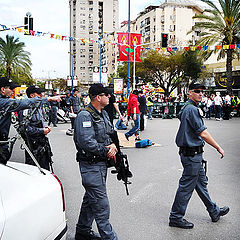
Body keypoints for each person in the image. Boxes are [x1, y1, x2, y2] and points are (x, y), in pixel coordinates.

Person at [169, 81, 229, 229]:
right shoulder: (192, 110)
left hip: (192, 154)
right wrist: (218, 147)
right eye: (197, 91)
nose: (201, 93)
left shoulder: (187, 107)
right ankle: (176, 217)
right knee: (186, 186)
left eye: (202, 91)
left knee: (201, 184)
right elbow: (203, 133)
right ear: (189, 92)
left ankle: (213, 210)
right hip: (191, 155)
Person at [73, 83, 118, 240]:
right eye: (107, 95)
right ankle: (110, 237)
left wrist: (113, 145)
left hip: (100, 165)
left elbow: (108, 134)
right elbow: (87, 142)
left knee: (90, 200)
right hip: (90, 165)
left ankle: (82, 231)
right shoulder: (85, 116)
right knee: (100, 205)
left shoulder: (103, 113)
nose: (110, 96)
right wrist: (107, 150)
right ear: (98, 97)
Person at [0, 77, 62, 165]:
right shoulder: (4, 102)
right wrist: (49, 99)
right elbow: (26, 127)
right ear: (2, 89)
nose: (13, 91)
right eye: (11, 88)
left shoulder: (37, 107)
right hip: (32, 144)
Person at [18, 85, 53, 171]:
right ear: (32, 96)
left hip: (41, 143)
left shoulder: (38, 106)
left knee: (46, 170)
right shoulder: (25, 109)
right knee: (33, 171)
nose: (41, 96)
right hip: (32, 145)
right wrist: (42, 131)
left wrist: (45, 127)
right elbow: (25, 129)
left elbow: (39, 122)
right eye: (39, 94)